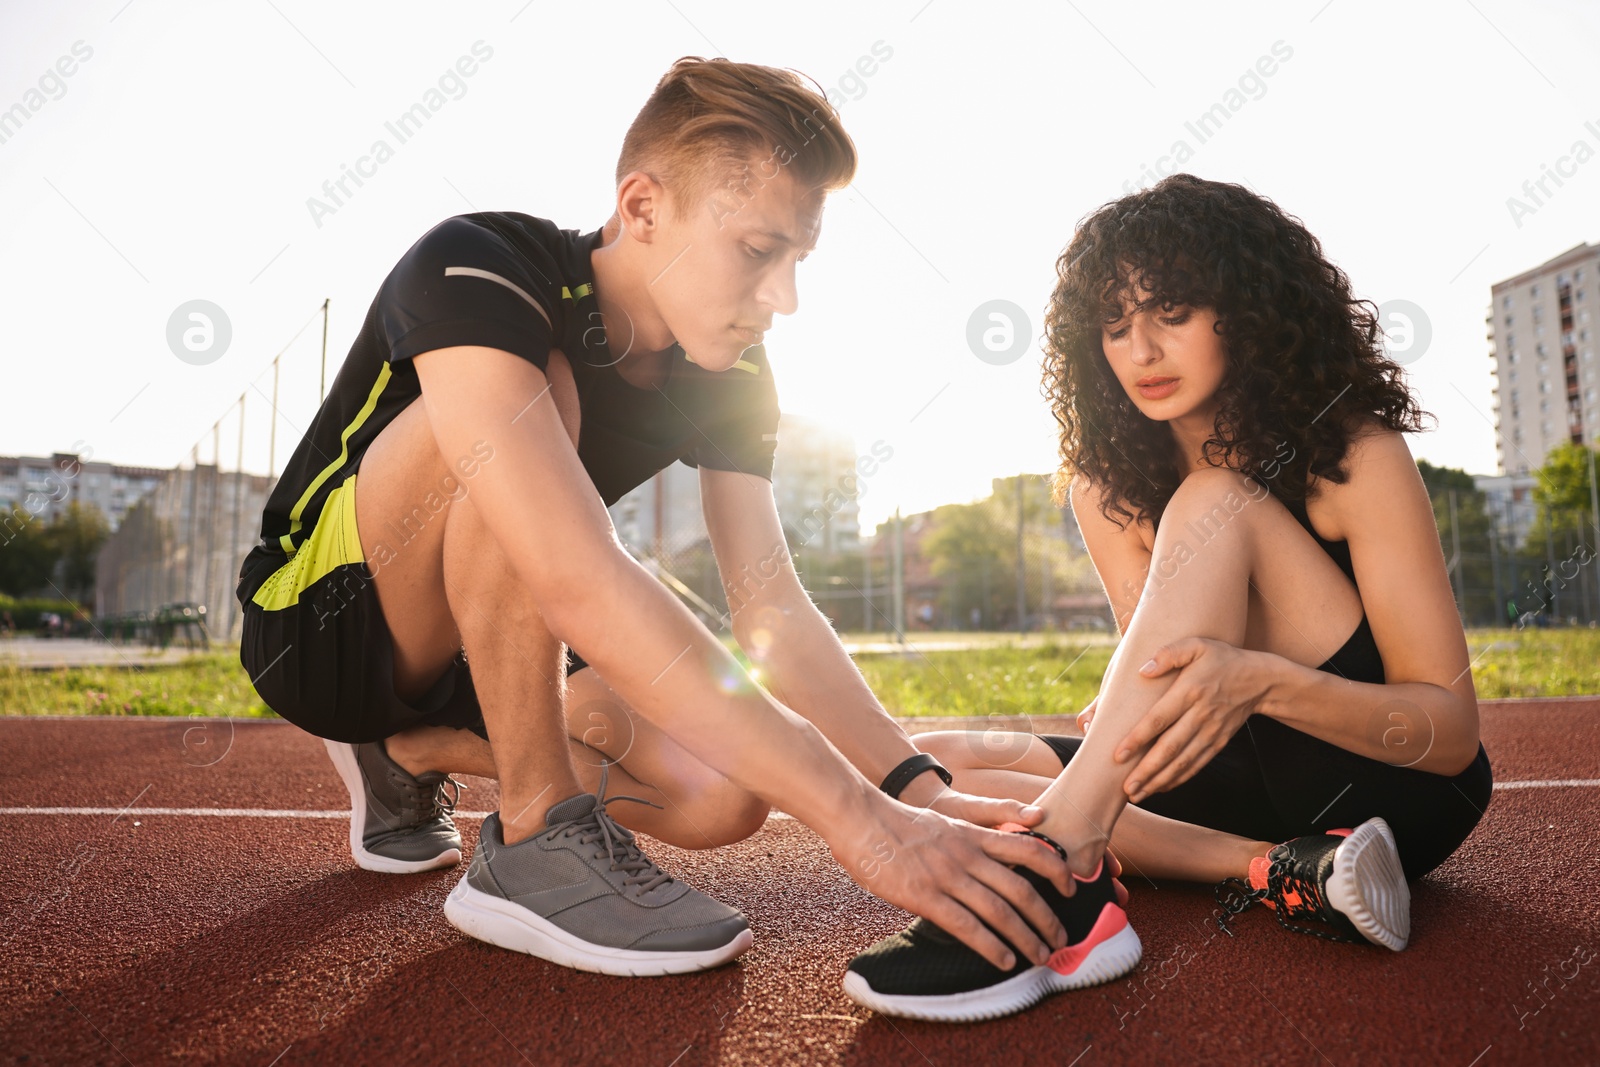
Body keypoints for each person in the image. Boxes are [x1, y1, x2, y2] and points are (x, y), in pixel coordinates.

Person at [235, 56, 1076, 980]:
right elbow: (574, 573)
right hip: (318, 624)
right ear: (641, 208)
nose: (786, 297)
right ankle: (533, 835)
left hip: (496, 628)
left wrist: (916, 789)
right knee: (537, 406)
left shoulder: (733, 373)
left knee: (723, 795)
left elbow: (771, 610)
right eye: (759, 251)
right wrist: (863, 827)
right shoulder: (480, 268)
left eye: (799, 259)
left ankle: (407, 749)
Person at [842, 174, 1493, 1021]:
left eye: (1172, 313)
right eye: (1115, 326)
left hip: (1385, 790)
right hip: (1241, 786)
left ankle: (1066, 872)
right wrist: (1123, 706)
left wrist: (1255, 680)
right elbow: (1159, 673)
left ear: (1247, 311)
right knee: (928, 766)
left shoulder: (1354, 453)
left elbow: (1448, 740)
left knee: (1218, 499)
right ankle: (1278, 867)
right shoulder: (1103, 487)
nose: (1141, 351)